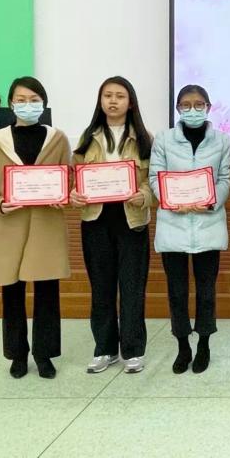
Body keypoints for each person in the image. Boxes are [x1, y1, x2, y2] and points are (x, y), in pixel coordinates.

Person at [0, 77, 71, 379]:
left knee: (47, 291)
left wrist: (62, 195)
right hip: (9, 225)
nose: (28, 105)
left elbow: (68, 177)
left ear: (44, 103)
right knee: (12, 292)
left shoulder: (57, 138)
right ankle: (17, 355)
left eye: (34, 100)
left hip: (46, 224)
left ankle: (44, 354)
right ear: (11, 104)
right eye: (21, 100)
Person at [71, 77, 154, 375]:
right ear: (100, 101)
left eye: (120, 96)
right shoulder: (87, 137)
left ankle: (133, 350)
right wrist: (74, 194)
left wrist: (144, 195)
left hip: (131, 219)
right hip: (96, 219)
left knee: (132, 287)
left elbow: (153, 180)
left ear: (130, 103)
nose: (113, 101)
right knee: (101, 287)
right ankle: (104, 349)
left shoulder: (144, 138)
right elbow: (74, 177)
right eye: (107, 95)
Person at [150, 84, 230, 374]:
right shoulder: (163, 139)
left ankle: (204, 344)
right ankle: (183, 345)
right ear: (178, 109)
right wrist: (171, 200)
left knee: (206, 292)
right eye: (186, 105)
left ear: (208, 108)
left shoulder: (222, 140)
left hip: (208, 224)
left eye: (199, 104)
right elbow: (155, 177)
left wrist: (210, 202)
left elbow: (225, 178)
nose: (192, 109)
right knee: (177, 292)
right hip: (173, 224)